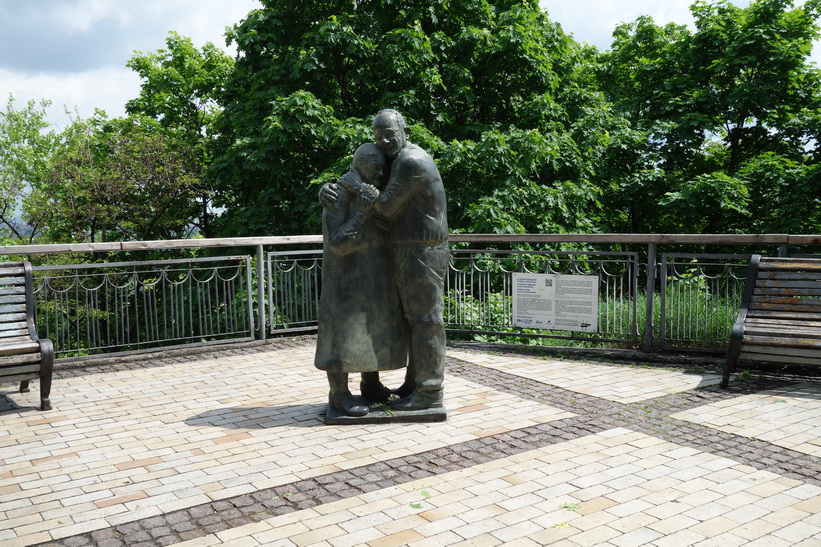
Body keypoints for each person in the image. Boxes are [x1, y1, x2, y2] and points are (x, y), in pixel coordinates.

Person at [321, 109, 449, 412]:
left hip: (422, 250)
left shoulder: (410, 161)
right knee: (413, 320)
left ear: (405, 130)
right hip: (405, 250)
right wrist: (331, 189)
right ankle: (414, 384)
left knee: (426, 321)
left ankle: (429, 392)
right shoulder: (394, 159)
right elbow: (364, 171)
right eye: (379, 136)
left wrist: (350, 185)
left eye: (390, 133)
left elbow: (386, 206)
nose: (385, 140)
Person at [314, 143, 409, 417]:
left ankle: (371, 384)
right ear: (361, 164)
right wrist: (361, 213)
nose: (381, 173)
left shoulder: (370, 192)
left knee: (370, 331)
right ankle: (339, 396)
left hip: (371, 276)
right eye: (376, 167)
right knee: (341, 334)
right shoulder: (339, 195)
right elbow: (338, 244)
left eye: (383, 167)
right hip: (345, 280)